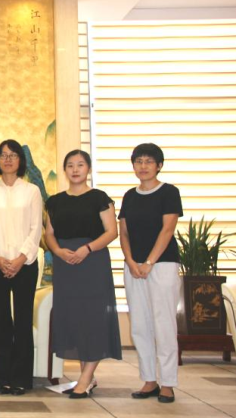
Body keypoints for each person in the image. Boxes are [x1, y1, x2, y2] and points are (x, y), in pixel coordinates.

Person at [44, 150, 121, 399]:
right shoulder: (54, 201)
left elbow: (111, 232)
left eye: (80, 165)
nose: (75, 169)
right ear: (64, 170)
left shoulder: (99, 198)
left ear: (88, 168)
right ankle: (88, 375)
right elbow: (49, 234)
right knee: (75, 318)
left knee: (93, 318)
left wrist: (87, 249)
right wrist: (58, 251)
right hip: (65, 264)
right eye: (70, 165)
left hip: (92, 262)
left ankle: (85, 378)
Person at [119, 143, 183, 404]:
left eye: (148, 161)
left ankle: (168, 383)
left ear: (159, 165)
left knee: (163, 324)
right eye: (139, 161)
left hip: (162, 265)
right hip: (133, 267)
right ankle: (149, 380)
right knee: (140, 325)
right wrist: (131, 261)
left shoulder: (169, 192)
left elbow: (167, 230)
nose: (143, 166)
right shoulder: (129, 196)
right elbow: (123, 232)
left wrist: (148, 262)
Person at [0, 139, 42, 395]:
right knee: (1, 321)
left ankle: (21, 379)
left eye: (13, 155)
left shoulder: (32, 191)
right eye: (3, 155)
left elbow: (36, 228)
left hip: (25, 265)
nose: (7, 159)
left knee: (23, 321)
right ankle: (3, 378)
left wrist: (19, 259)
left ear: (20, 160)